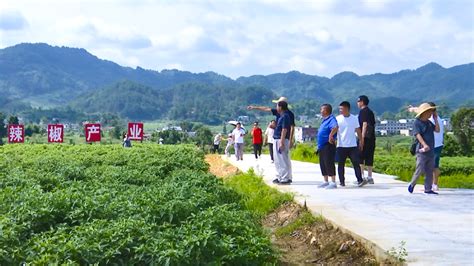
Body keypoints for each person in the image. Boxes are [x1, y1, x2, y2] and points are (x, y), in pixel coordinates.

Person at [408, 102, 445, 191]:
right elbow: (417, 134)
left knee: (430, 170)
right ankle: (412, 184)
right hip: (422, 150)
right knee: (420, 169)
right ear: (424, 112)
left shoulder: (429, 122)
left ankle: (428, 189)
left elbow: (437, 130)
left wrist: (435, 119)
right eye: (429, 112)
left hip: (431, 150)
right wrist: (424, 145)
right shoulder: (417, 122)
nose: (431, 113)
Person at [336, 101, 367, 187]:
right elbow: (334, 130)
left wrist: (361, 141)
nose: (340, 110)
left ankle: (360, 180)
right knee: (341, 165)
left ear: (347, 109)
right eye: (339, 109)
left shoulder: (354, 118)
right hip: (341, 145)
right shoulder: (338, 118)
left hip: (352, 146)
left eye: (341, 109)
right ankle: (342, 181)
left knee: (356, 164)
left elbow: (358, 130)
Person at [316, 104, 339, 189]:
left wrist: (330, 136)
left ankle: (333, 182)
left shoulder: (331, 119)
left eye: (322, 109)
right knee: (323, 163)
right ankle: (325, 181)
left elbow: (335, 127)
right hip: (322, 145)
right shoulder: (324, 120)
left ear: (326, 110)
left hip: (328, 145)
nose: (320, 111)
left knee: (329, 162)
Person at [271, 101, 292, 185]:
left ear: (280, 107)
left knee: (282, 159)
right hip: (277, 139)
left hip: (280, 139)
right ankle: (280, 176)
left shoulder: (285, 116)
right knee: (277, 160)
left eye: (277, 106)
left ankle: (285, 178)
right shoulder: (281, 116)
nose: (276, 108)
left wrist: (282, 142)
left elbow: (284, 129)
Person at [357, 95, 376, 184]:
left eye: (358, 101)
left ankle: (361, 177)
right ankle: (369, 177)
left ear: (362, 102)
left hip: (365, 137)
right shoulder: (370, 112)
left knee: (360, 156)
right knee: (369, 156)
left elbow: (364, 125)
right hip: (372, 137)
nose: (357, 103)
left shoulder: (363, 112)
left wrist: (362, 138)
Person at [428, 102, 444, 191]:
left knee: (431, 166)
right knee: (435, 165)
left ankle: (431, 184)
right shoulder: (439, 119)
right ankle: (434, 184)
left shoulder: (431, 120)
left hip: (432, 145)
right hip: (439, 144)